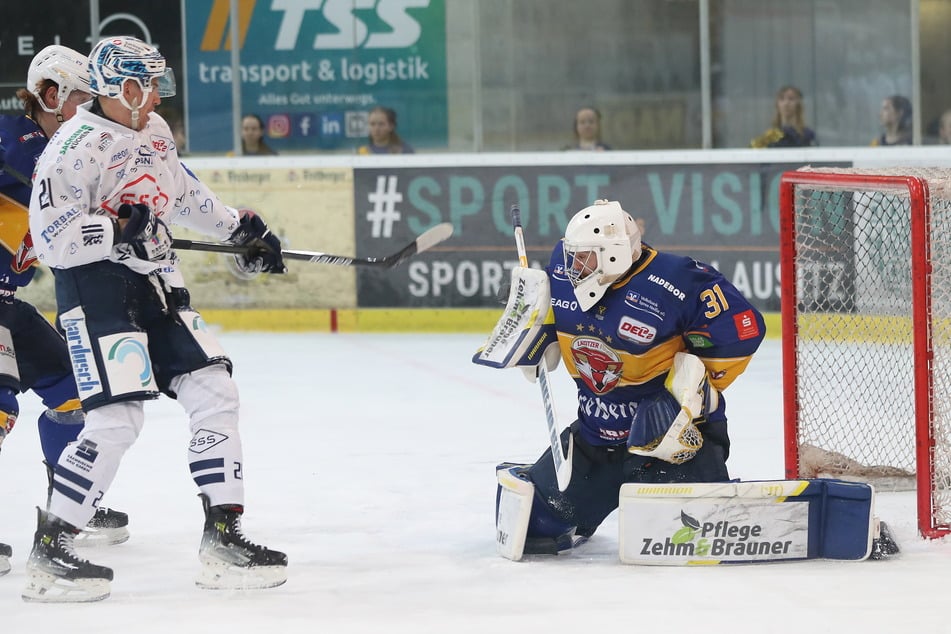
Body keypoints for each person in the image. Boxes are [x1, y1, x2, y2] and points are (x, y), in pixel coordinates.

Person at [23, 36, 288, 602]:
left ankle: (223, 536)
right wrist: (115, 230)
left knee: (215, 390)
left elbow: (183, 194)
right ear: (121, 86)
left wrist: (241, 230)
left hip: (157, 285)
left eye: (158, 85)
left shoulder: (155, 133)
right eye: (148, 85)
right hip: (95, 291)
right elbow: (51, 242)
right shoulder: (74, 146)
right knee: (117, 420)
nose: (157, 98)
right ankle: (50, 549)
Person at [489, 199, 765, 556]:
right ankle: (584, 499)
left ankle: (699, 482)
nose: (572, 266)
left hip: (673, 446)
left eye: (585, 257)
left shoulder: (678, 280)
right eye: (572, 255)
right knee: (531, 528)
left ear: (615, 254)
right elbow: (553, 306)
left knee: (681, 540)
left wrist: (692, 390)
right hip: (596, 441)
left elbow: (743, 330)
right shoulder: (561, 268)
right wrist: (539, 331)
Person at [0, 45, 133, 577]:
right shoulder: (19, 138)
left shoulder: (73, 149)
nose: (93, 109)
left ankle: (67, 504)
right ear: (50, 96)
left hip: (9, 305)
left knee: (72, 392)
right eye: (84, 97)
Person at [750, 85, 817, 148]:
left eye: (791, 99)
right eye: (782, 99)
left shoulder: (807, 135)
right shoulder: (771, 137)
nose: (786, 103)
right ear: (777, 105)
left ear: (798, 104)